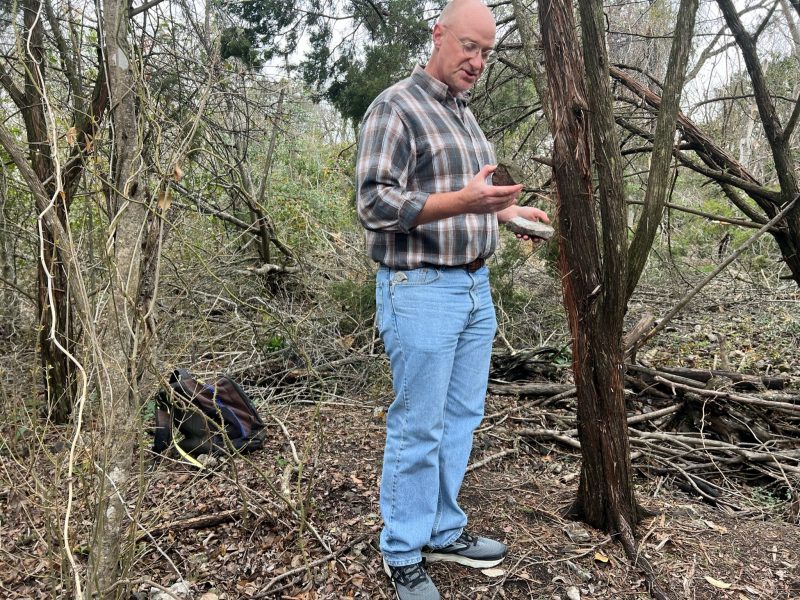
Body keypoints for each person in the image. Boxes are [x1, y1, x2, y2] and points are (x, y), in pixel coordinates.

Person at [355, 1, 549, 598]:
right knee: (419, 425)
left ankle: (441, 526)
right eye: (469, 46)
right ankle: (402, 551)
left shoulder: (464, 114)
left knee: (459, 418)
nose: (478, 61)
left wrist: (505, 211)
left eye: (487, 52)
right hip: (420, 289)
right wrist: (465, 205)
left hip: (473, 286)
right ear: (438, 35)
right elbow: (375, 203)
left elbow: (465, 195)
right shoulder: (396, 106)